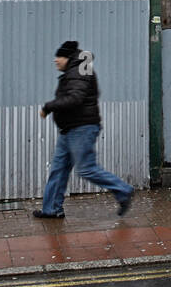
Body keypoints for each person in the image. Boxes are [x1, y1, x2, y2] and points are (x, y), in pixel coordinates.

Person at [34, 40, 134, 219]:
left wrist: (48, 107)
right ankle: (51, 209)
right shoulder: (77, 69)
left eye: (59, 56)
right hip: (70, 129)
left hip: (81, 128)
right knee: (59, 169)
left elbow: (75, 98)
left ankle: (124, 190)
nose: (55, 60)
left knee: (86, 169)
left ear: (68, 57)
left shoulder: (80, 70)